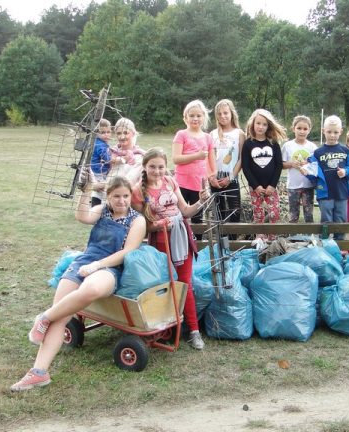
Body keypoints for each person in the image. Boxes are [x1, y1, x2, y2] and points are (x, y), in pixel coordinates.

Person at [11, 176, 146, 391]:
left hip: (111, 266)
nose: (121, 201)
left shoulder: (136, 220)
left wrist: (96, 267)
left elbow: (127, 252)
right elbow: (82, 216)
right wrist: (87, 190)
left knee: (89, 290)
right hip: (84, 260)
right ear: (108, 197)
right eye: (116, 196)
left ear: (131, 196)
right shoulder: (102, 210)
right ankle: (39, 372)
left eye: (126, 196)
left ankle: (43, 317)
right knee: (61, 316)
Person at [132, 148, 209, 349]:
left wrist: (201, 201)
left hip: (181, 237)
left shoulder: (170, 181)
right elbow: (140, 226)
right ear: (144, 167)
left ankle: (193, 330)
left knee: (185, 284)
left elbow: (185, 210)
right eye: (152, 167)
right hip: (160, 242)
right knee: (162, 285)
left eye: (161, 166)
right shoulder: (138, 191)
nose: (157, 171)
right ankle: (163, 327)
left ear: (166, 167)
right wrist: (156, 225)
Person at [306, 115, 349, 240]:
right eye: (329, 132)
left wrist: (345, 171)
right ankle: (324, 246)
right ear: (323, 131)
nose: (332, 135)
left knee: (340, 221)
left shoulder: (345, 150)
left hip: (342, 192)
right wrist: (307, 172)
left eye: (335, 132)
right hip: (325, 193)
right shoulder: (317, 153)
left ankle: (339, 248)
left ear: (341, 132)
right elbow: (313, 174)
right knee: (326, 221)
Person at [241, 109, 286, 238]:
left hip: (271, 187)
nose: (261, 127)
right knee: (258, 214)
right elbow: (246, 167)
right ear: (253, 124)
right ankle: (260, 240)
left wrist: (272, 185)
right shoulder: (248, 144)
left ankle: (272, 239)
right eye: (258, 123)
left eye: (264, 124)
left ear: (268, 126)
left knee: (274, 213)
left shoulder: (273, 143)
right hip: (256, 188)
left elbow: (278, 165)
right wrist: (256, 186)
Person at [172, 100, 216, 224]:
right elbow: (176, 158)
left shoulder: (208, 137)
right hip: (181, 184)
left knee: (198, 218)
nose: (195, 118)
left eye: (198, 115)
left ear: (204, 117)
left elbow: (212, 163)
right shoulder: (181, 134)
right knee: (180, 217)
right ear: (185, 118)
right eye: (191, 116)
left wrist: (212, 176)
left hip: (199, 185)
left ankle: (197, 242)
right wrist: (197, 156)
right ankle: (181, 241)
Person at [209, 99, 245, 226]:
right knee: (218, 213)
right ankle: (220, 242)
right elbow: (210, 158)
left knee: (234, 212)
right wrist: (212, 177)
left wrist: (230, 178)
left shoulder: (239, 133)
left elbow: (241, 158)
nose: (222, 116)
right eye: (219, 114)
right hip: (215, 180)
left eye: (225, 113)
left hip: (231, 178)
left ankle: (232, 242)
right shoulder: (212, 134)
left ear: (232, 113)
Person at [282, 115, 317, 223]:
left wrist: (308, 163)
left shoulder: (312, 147)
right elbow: (282, 164)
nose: (302, 131)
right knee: (293, 214)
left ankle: (310, 236)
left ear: (309, 130)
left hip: (308, 185)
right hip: (293, 186)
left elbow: (316, 165)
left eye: (305, 129)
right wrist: (292, 164)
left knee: (309, 214)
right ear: (293, 129)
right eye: (299, 128)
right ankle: (292, 237)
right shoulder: (287, 146)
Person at [106, 117, 144, 184]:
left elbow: (131, 179)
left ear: (133, 133)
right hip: (108, 188)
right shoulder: (109, 152)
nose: (122, 137)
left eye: (126, 133)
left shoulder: (141, 156)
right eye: (119, 133)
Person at [90, 118, 112, 206]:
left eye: (108, 132)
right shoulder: (100, 145)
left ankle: (94, 205)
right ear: (96, 133)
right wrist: (117, 158)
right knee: (102, 190)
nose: (106, 135)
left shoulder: (98, 142)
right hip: (100, 171)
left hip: (96, 170)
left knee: (98, 189)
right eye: (102, 133)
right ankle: (97, 207)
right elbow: (107, 158)